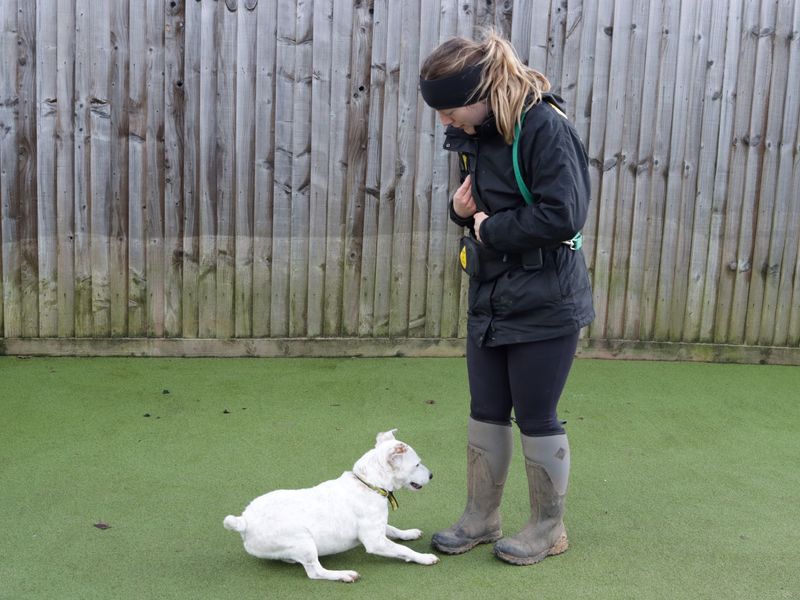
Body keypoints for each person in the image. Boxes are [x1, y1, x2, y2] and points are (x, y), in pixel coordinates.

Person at [418, 30, 595, 565]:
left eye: (449, 110)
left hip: (547, 296)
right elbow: (483, 209)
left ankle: (547, 528)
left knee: (536, 413)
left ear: (481, 90)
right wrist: (460, 209)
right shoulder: (480, 130)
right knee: (486, 410)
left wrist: (489, 229)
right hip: (492, 292)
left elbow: (563, 215)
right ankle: (481, 517)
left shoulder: (543, 126)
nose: (444, 121)